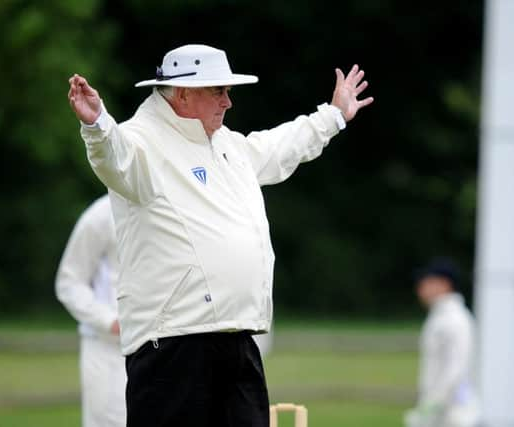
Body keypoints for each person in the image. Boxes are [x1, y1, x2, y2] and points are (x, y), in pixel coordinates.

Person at [67, 44, 373, 427]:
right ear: (182, 94)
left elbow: (281, 146)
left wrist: (333, 115)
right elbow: (115, 157)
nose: (228, 102)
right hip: (172, 344)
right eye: (218, 91)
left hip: (237, 337)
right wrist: (97, 126)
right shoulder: (140, 140)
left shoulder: (227, 145)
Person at [55, 195, 126, 427]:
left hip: (159, 348)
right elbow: (69, 282)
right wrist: (108, 321)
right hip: (106, 350)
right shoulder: (100, 216)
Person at [405, 258, 480, 427]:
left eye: (427, 282)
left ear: (444, 284)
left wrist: (431, 406)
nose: (421, 288)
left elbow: (456, 368)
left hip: (455, 414)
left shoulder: (455, 319)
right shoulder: (439, 316)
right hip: (442, 412)